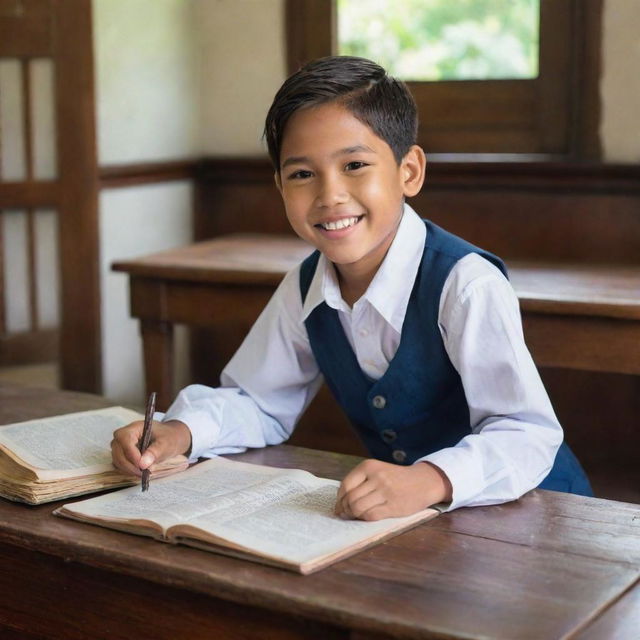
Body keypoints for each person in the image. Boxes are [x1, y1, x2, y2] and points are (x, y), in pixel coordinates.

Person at [111, 56, 592, 520]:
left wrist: (431, 479)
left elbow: (525, 432)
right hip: (422, 524)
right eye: (302, 174)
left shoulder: (465, 284)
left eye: (355, 165)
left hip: (535, 514)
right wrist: (179, 433)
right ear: (280, 187)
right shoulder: (305, 286)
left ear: (409, 172)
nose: (329, 195)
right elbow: (259, 402)